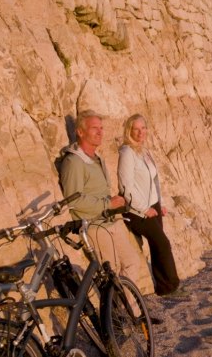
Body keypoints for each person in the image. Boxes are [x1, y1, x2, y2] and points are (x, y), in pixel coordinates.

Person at [58, 109, 151, 293]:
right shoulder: (74, 162)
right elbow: (73, 201)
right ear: (80, 132)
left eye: (101, 128)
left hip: (111, 221)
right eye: (94, 128)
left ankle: (129, 310)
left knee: (132, 262)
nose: (100, 132)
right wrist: (108, 204)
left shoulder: (96, 158)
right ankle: (117, 316)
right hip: (95, 226)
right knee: (111, 273)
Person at [117, 114, 181, 296]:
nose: (140, 133)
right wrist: (144, 209)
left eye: (143, 128)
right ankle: (172, 286)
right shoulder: (127, 153)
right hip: (137, 211)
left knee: (156, 245)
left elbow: (154, 181)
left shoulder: (143, 151)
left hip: (153, 204)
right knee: (163, 243)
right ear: (129, 131)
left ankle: (163, 287)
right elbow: (126, 187)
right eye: (136, 129)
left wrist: (158, 204)